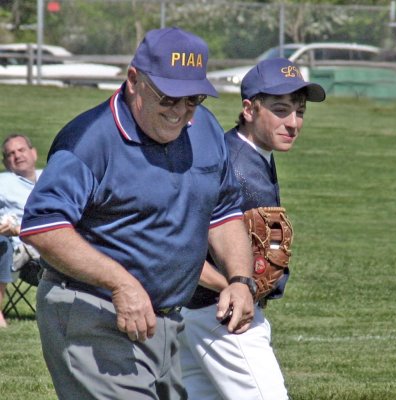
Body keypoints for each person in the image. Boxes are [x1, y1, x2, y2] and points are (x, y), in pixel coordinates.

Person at [20, 27, 255, 400]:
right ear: (134, 81)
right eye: (169, 98)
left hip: (164, 320)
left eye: (193, 99)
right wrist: (121, 283)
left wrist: (241, 279)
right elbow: (43, 226)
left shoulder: (205, 129)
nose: (181, 113)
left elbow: (224, 212)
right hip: (94, 312)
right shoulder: (90, 140)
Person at [179, 58, 326, 400]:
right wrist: (233, 286)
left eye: (299, 111)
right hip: (225, 317)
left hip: (199, 313)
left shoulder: (243, 151)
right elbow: (179, 244)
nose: (293, 123)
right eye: (280, 109)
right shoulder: (236, 169)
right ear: (249, 109)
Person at [0, 134, 42, 328]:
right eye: (10, 154)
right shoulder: (3, 182)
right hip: (18, 250)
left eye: (21, 150)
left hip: (51, 243)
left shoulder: (51, 178)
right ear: (5, 162)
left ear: (34, 153)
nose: (17, 156)